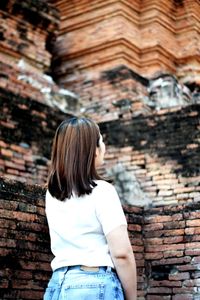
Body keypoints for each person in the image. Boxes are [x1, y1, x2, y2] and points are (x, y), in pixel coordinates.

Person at [44, 117, 137, 300]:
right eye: (101, 140)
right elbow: (121, 254)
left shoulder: (52, 194)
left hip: (57, 285)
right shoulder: (103, 191)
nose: (103, 146)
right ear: (92, 150)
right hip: (94, 284)